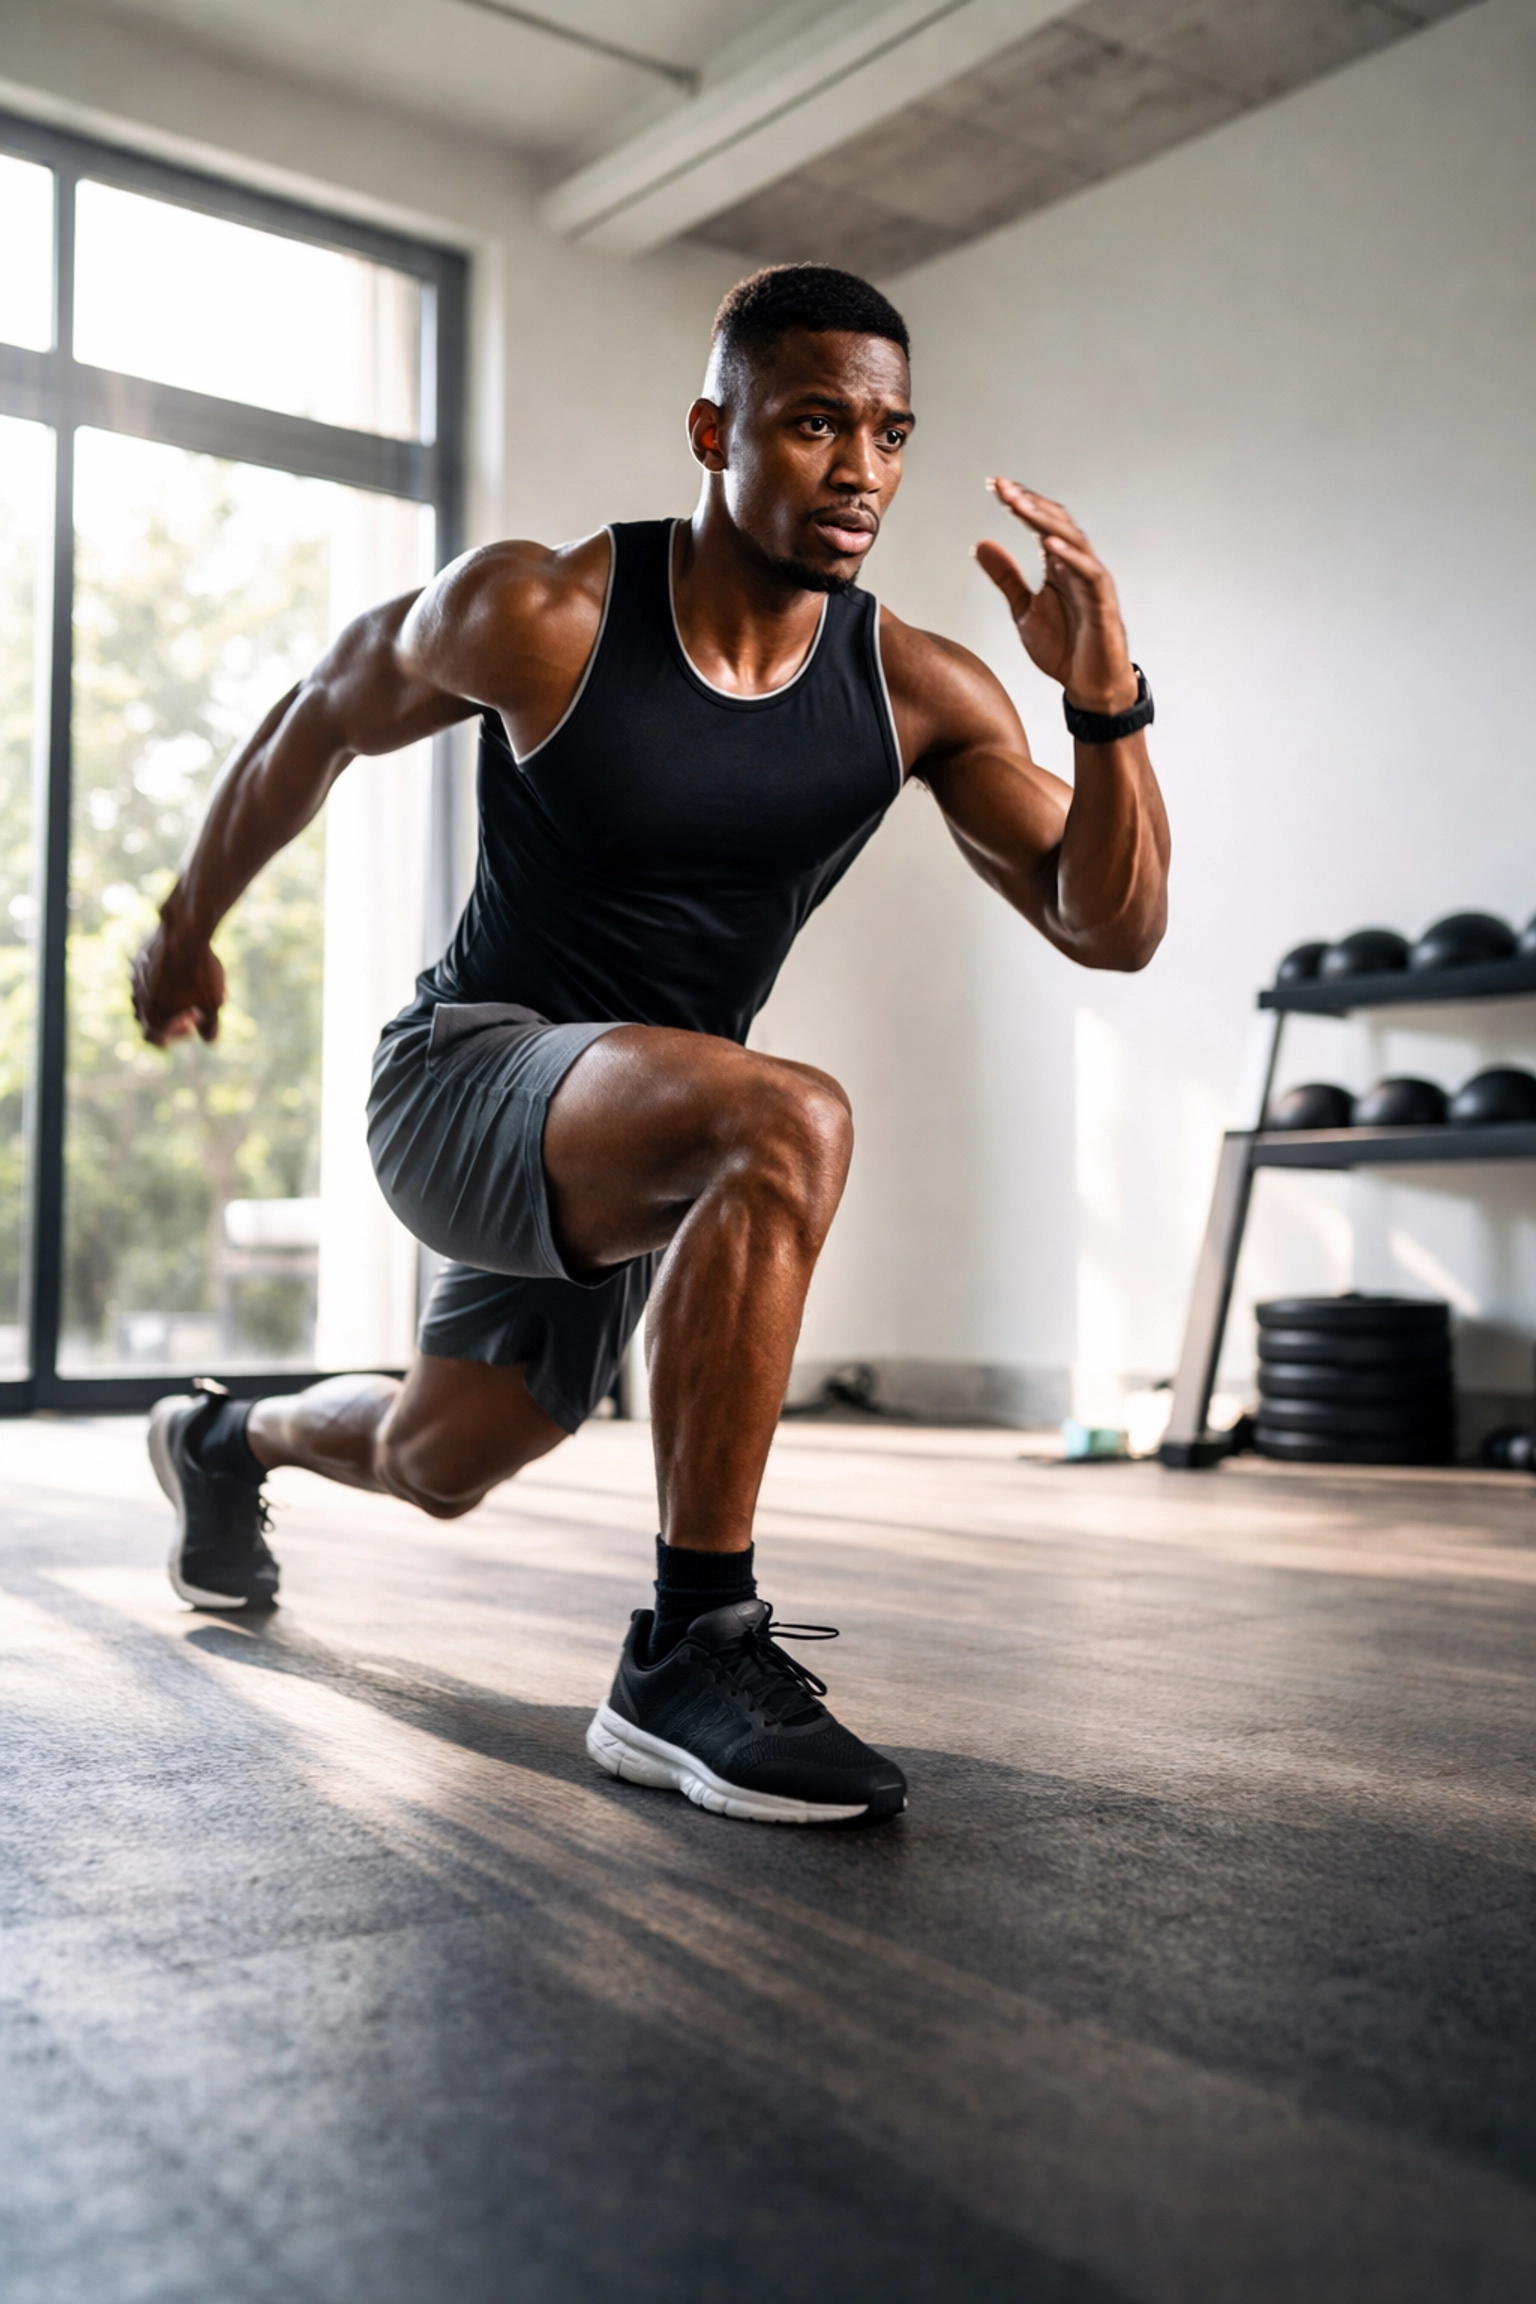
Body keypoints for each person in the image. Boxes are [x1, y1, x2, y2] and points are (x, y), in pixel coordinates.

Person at [132, 264, 1169, 1827]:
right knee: (790, 1120)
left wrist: (1105, 705)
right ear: (715, 427)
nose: (860, 470)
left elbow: (1111, 925)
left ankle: (223, 1436)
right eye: (816, 421)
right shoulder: (540, 612)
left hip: (643, 1125)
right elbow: (317, 720)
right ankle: (692, 1646)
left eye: (891, 433)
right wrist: (187, 924)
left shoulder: (916, 693)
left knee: (444, 1457)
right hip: (466, 1077)